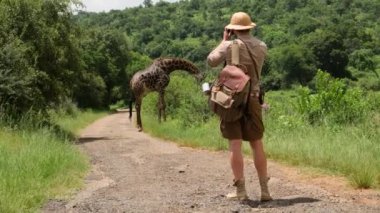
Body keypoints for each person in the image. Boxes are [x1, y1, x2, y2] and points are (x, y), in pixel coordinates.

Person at [207, 12, 272, 201]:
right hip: (253, 98)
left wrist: (223, 41)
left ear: (233, 29)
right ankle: (264, 190)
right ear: (250, 27)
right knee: (256, 143)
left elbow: (211, 61)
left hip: (232, 100)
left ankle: (241, 192)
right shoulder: (262, 46)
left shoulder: (229, 45)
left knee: (235, 145)